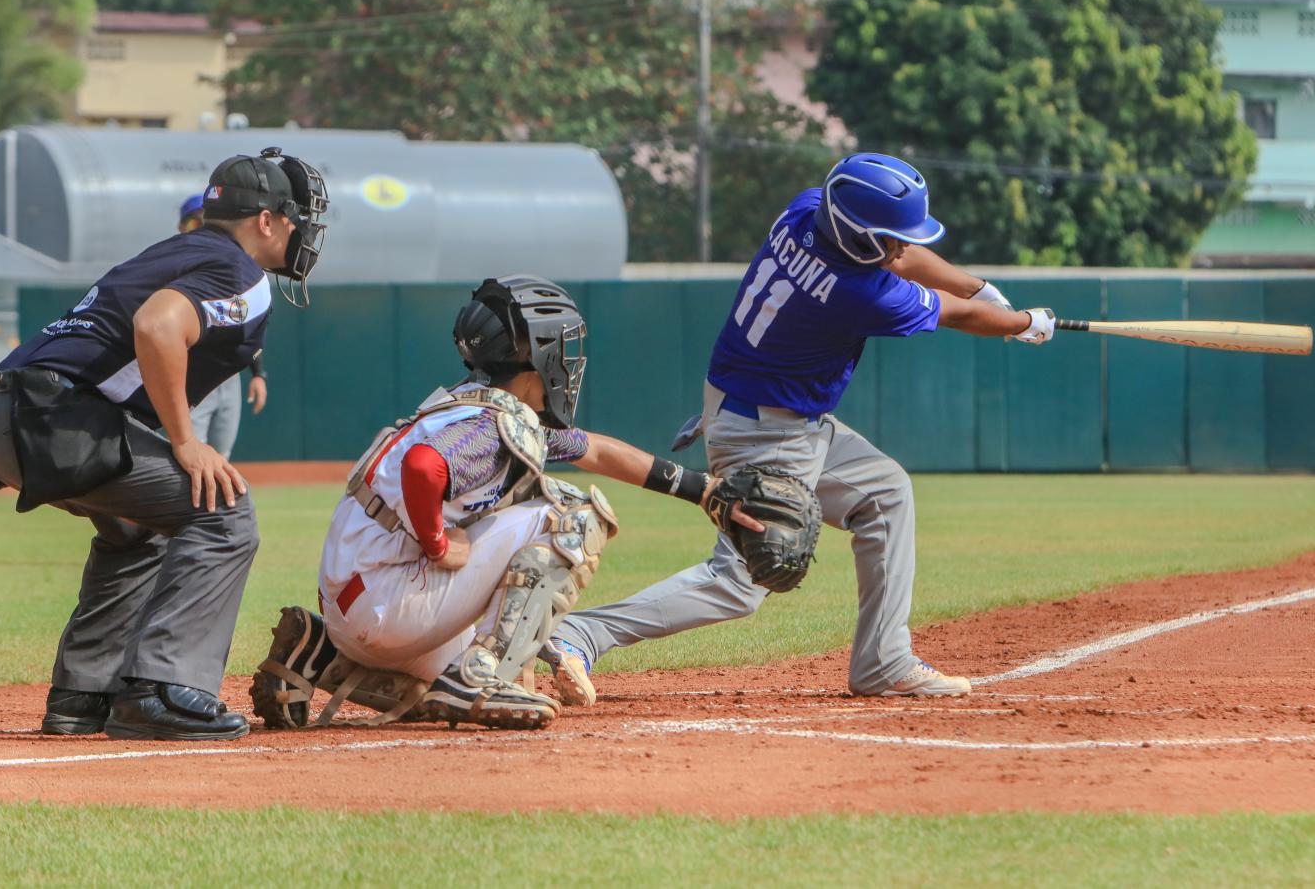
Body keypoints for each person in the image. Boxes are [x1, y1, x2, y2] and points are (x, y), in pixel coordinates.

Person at [543, 153, 1054, 705]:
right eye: (889, 236)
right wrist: (1025, 324)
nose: (901, 246)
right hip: (768, 434)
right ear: (857, 235)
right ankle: (579, 633)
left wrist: (979, 287)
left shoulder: (807, 210)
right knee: (740, 582)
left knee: (885, 494)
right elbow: (955, 314)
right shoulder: (860, 294)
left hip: (769, 413)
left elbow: (907, 261)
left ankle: (883, 661)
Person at [249, 275, 763, 731]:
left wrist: (701, 489)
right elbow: (422, 467)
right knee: (569, 516)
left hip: (356, 605)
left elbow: (597, 450)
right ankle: (483, 673)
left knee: (434, 694)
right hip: (389, 603)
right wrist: (435, 544)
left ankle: (315, 654)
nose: (568, 361)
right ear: (534, 359)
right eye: (561, 350)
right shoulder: (491, 427)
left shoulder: (474, 407)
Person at [0, 147, 329, 740]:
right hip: (57, 420)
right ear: (266, 221)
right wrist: (186, 442)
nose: (303, 232)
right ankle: (163, 688)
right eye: (295, 219)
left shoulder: (179, 250)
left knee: (138, 531)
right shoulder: (241, 272)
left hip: (3, 415)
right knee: (225, 511)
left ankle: (84, 695)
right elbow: (157, 326)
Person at [177, 194, 269, 457]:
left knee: (221, 456)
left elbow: (249, 327)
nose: (201, 229)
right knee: (192, 454)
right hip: (193, 373)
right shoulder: (177, 266)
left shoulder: (234, 270)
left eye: (205, 222)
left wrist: (258, 374)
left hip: (228, 376)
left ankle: (214, 501)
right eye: (194, 223)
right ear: (181, 229)